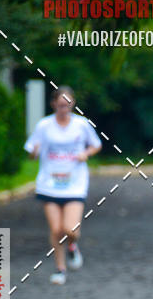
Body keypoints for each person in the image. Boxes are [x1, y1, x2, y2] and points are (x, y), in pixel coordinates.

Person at [24, 86, 102, 285]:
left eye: (67, 106)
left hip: (74, 184)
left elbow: (96, 144)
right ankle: (60, 269)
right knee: (56, 229)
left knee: (71, 229)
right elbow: (31, 152)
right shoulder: (44, 125)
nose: (64, 110)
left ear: (73, 104)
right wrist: (35, 151)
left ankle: (72, 246)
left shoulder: (81, 125)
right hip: (49, 184)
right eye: (60, 106)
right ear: (53, 105)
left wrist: (86, 153)